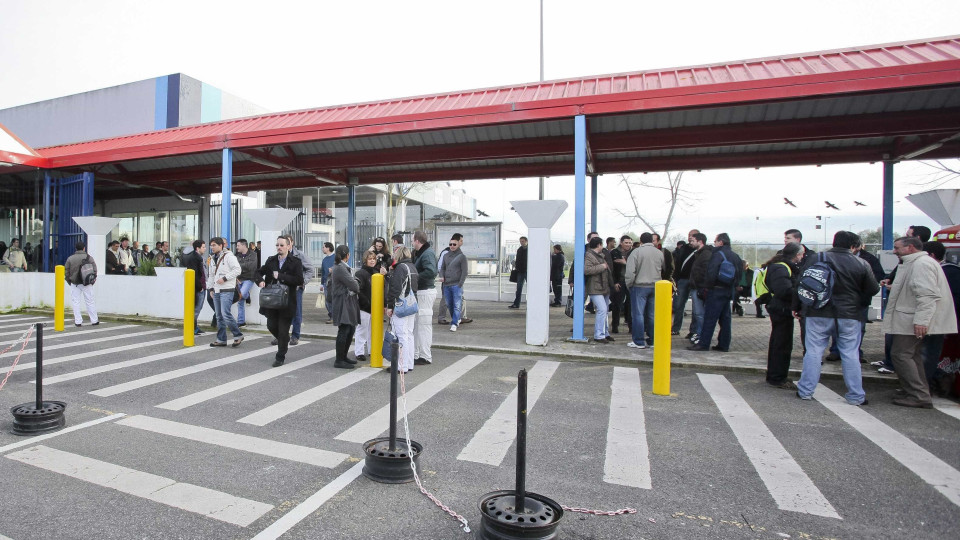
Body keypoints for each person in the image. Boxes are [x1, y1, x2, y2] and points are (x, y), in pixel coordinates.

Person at [796, 231, 879, 405]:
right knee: (850, 353)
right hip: (849, 314)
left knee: (814, 351)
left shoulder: (816, 258)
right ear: (854, 246)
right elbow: (873, 289)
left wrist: (797, 307)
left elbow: (801, 282)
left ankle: (805, 391)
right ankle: (856, 395)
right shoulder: (861, 263)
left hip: (817, 312)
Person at [883, 236, 957, 408]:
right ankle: (918, 391)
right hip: (912, 318)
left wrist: (921, 321)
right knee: (912, 356)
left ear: (910, 248)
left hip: (911, 320)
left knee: (901, 354)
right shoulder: (920, 263)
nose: (894, 251)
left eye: (897, 248)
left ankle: (917, 394)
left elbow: (927, 296)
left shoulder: (920, 264)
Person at [688, 233, 742, 352]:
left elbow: (711, 273)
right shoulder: (735, 256)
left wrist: (706, 288)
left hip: (716, 290)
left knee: (710, 318)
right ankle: (724, 344)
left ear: (721, 242)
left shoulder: (717, 255)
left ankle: (704, 343)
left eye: (716, 241)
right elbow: (739, 274)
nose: (714, 243)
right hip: (728, 290)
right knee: (725, 319)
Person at [256, 236, 304, 367]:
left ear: (289, 246)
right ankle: (284, 339)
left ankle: (280, 356)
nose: (279, 247)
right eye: (277, 245)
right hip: (272, 301)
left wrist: (281, 276)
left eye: (282, 245)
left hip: (287, 302)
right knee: (271, 326)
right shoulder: (271, 261)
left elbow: (299, 280)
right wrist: (260, 280)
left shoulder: (295, 262)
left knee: (283, 330)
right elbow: (258, 272)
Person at [763, 243, 803, 389]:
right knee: (781, 344)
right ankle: (777, 377)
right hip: (781, 309)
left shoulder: (780, 266)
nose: (802, 257)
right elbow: (783, 291)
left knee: (779, 343)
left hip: (780, 308)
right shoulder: (781, 268)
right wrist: (801, 295)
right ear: (795, 255)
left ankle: (776, 375)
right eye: (800, 254)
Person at [624, 232, 663, 349]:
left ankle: (639, 341)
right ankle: (652, 341)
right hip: (656, 286)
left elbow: (630, 272)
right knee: (652, 315)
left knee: (638, 314)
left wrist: (629, 284)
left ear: (640, 241)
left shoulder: (636, 252)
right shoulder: (659, 253)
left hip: (639, 286)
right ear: (652, 240)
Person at [386, 247, 419, 373]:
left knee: (401, 336)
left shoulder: (401, 267)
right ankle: (409, 364)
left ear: (398, 255)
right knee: (409, 334)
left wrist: (390, 306)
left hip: (401, 305)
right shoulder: (412, 267)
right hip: (411, 305)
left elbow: (395, 288)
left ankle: (401, 366)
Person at [206, 237, 244, 348]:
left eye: (214, 245)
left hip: (227, 289)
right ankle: (221, 339)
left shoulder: (229, 256)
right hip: (217, 290)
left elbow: (237, 270)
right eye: (211, 245)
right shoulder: (212, 258)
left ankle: (237, 335)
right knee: (219, 316)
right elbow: (211, 275)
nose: (212, 247)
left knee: (225, 314)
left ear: (221, 245)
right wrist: (211, 289)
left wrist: (225, 278)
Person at [329, 244, 361, 370]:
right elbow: (355, 286)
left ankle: (343, 356)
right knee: (344, 329)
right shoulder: (340, 268)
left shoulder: (341, 267)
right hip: (343, 302)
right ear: (347, 256)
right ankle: (339, 360)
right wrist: (356, 282)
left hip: (347, 301)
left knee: (350, 328)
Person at [412, 230, 438, 365]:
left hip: (425, 292)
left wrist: (414, 277)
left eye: (412, 240)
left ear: (417, 241)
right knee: (419, 324)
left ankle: (425, 355)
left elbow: (431, 271)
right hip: (423, 291)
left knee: (423, 325)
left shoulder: (427, 254)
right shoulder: (425, 252)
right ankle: (418, 354)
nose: (412, 243)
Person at [585, 236, 615, 343]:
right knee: (602, 310)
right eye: (602, 245)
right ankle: (598, 335)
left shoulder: (600, 255)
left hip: (603, 287)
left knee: (605, 311)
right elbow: (587, 270)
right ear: (599, 245)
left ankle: (605, 333)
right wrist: (602, 266)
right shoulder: (589, 255)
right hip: (595, 287)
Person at [286, 234, 314, 345]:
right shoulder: (281, 255)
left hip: (296, 288)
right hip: (284, 288)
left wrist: (303, 282)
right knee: (283, 312)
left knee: (296, 311)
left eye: (288, 242)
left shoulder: (299, 255)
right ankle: (282, 335)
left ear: (292, 242)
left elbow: (310, 269)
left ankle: (295, 335)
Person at [63, 241, 99, 327]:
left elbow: (66, 272)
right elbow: (95, 270)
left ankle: (78, 321)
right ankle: (94, 320)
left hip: (75, 283)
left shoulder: (70, 258)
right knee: (90, 301)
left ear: (76, 248)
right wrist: (92, 281)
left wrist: (70, 281)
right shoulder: (89, 257)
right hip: (87, 283)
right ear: (84, 248)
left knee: (76, 302)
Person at [672, 230, 700, 335]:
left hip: (695, 281)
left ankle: (693, 331)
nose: (689, 238)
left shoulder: (701, 250)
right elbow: (677, 263)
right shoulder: (683, 248)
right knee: (678, 304)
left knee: (696, 307)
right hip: (683, 280)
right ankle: (675, 328)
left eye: (692, 236)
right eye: (689, 235)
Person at [687, 233, 713, 345]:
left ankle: (702, 335)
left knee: (699, 313)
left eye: (692, 240)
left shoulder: (705, 254)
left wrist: (699, 284)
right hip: (696, 286)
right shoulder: (699, 254)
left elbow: (703, 272)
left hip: (699, 287)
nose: (690, 243)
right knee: (697, 313)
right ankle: (699, 333)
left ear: (700, 241)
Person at [439, 234, 467, 332]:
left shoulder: (462, 257)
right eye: (450, 244)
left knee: (457, 304)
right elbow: (442, 268)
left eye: (454, 244)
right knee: (449, 304)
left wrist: (460, 283)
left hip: (456, 285)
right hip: (447, 284)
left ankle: (454, 323)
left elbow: (464, 271)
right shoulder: (446, 256)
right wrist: (441, 276)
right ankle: (457, 318)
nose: (452, 246)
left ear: (458, 245)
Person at [354, 250, 378, 363]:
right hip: (364, 306)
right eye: (370, 259)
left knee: (372, 330)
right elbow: (359, 289)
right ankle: (359, 352)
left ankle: (371, 350)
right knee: (362, 329)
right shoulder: (361, 273)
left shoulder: (376, 271)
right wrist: (366, 302)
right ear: (365, 260)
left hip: (375, 306)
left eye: (373, 258)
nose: (372, 260)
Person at [181, 240, 207, 335]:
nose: (205, 249)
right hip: (198, 287)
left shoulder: (197, 257)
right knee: (196, 309)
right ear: (198, 248)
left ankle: (194, 326)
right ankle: (192, 328)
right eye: (203, 247)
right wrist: (200, 286)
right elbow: (195, 273)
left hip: (200, 286)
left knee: (197, 308)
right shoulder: (195, 258)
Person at [609, 235, 633, 333]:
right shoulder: (614, 252)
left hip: (631, 282)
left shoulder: (634, 252)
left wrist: (625, 262)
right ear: (621, 242)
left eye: (629, 242)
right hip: (619, 282)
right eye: (626, 243)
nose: (628, 245)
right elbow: (611, 269)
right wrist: (614, 282)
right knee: (617, 304)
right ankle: (615, 326)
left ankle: (631, 327)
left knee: (631, 304)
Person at [234, 239, 257, 327]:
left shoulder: (253, 254)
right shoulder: (237, 255)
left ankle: (247, 295)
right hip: (239, 279)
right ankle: (241, 321)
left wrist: (240, 266)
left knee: (242, 294)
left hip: (249, 278)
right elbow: (234, 266)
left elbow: (251, 266)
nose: (237, 247)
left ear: (244, 245)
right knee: (240, 299)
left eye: (238, 245)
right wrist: (243, 266)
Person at [508, 236, 528, 309]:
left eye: (522, 241)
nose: (521, 243)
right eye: (520, 241)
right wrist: (517, 267)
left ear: (526, 241)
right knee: (519, 288)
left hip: (527, 271)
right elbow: (518, 260)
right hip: (520, 271)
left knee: (531, 288)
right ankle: (516, 304)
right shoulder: (519, 249)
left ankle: (532, 304)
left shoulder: (530, 249)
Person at [319, 242, 335, 324]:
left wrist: (333, 270)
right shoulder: (324, 260)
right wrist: (322, 284)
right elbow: (323, 272)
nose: (322, 249)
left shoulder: (336, 258)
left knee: (331, 300)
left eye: (323, 247)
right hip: (326, 283)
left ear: (328, 248)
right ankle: (331, 315)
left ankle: (333, 316)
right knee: (327, 301)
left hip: (333, 282)